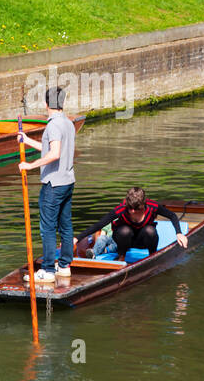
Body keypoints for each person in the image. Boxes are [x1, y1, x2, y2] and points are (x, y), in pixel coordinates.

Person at [18, 86, 75, 284]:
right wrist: (27, 141)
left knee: (48, 228)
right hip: (68, 181)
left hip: (53, 184)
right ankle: (65, 266)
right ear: (63, 103)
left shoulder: (53, 125)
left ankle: (48, 270)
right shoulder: (68, 123)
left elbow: (55, 153)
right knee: (65, 225)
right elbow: (50, 148)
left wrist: (30, 165)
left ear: (45, 104)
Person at [73, 187, 188, 259]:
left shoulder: (153, 206)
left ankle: (152, 257)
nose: (132, 211)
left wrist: (179, 233)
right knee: (124, 230)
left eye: (136, 208)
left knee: (150, 230)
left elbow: (172, 215)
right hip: (123, 242)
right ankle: (121, 256)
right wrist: (77, 238)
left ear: (143, 205)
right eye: (130, 208)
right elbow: (100, 224)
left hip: (142, 241)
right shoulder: (122, 208)